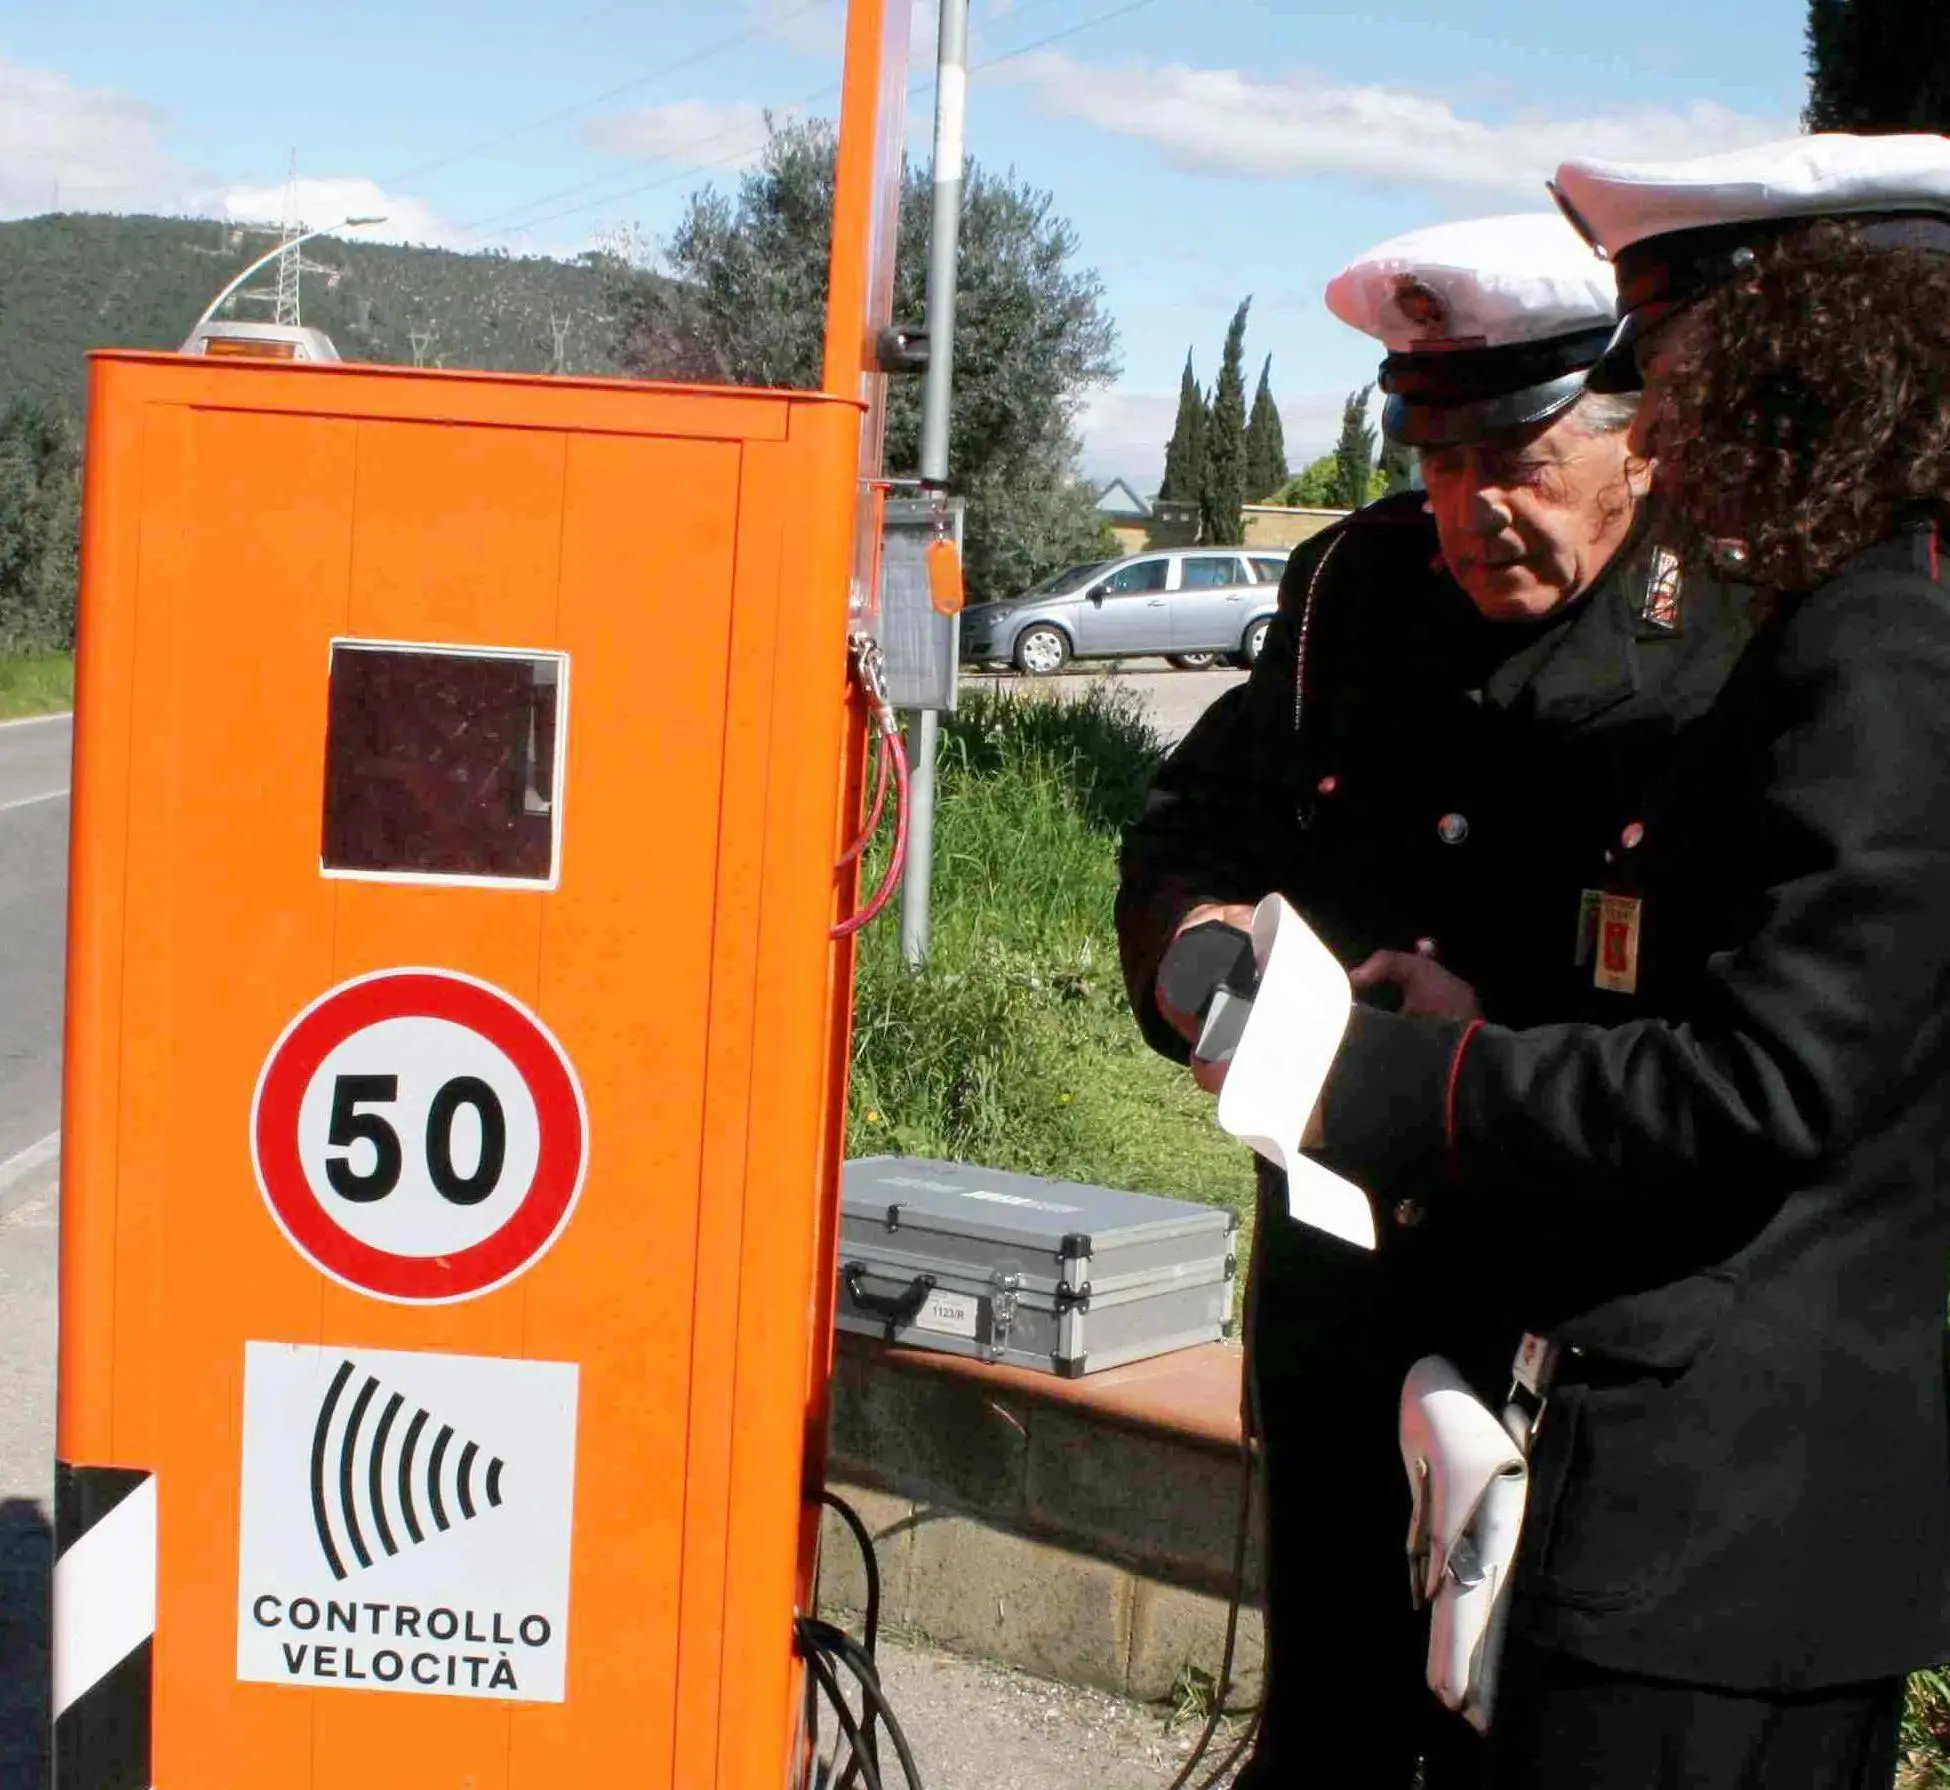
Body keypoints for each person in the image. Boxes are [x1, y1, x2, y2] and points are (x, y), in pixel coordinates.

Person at [1239, 132, 1950, 1788]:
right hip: (1700, 1514)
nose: (1661, 418)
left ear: (1806, 360)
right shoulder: (1844, 609)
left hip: (1726, 1527)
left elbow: (1764, 1082)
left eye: (1674, 362)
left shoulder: (1883, 639)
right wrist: (1486, 1028)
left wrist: (1393, 1077)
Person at [1114, 213, 1756, 1788]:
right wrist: (1209, 971)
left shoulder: (1732, 642)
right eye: (1434, 458)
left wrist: (1492, 1024)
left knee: (1513, 1730)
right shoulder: (1360, 593)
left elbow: (1751, 1026)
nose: (1469, 510)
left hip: (1563, 1309)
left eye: (1517, 460)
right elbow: (1192, 825)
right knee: (1329, 1709)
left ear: (1640, 442)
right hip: (1342, 1281)